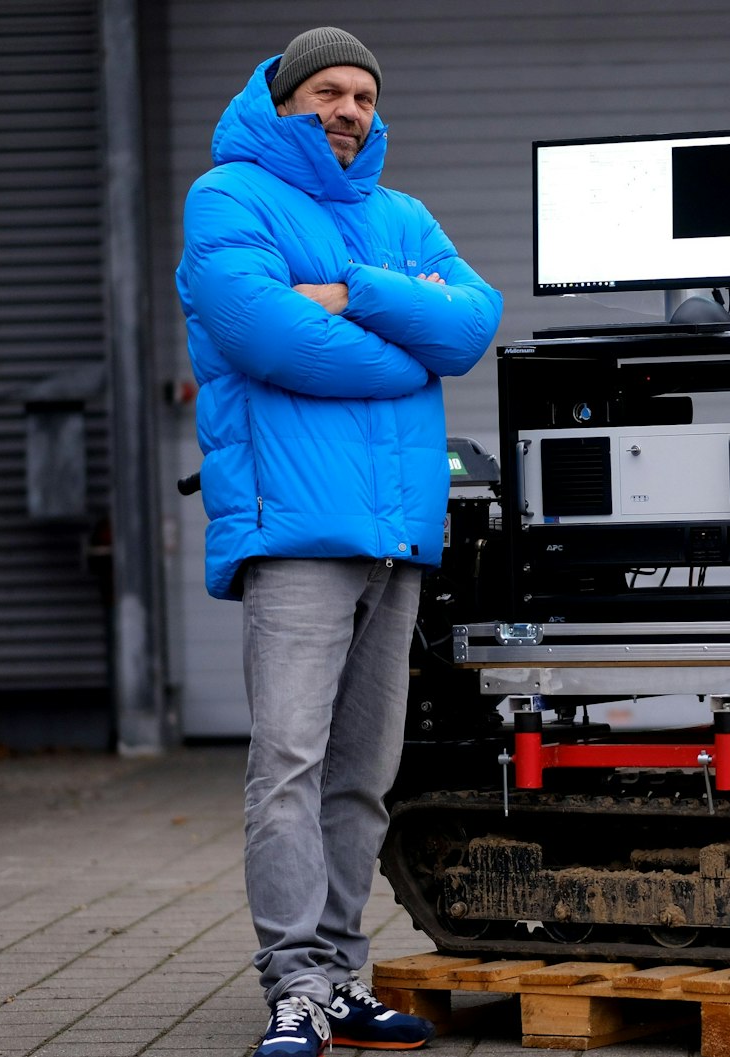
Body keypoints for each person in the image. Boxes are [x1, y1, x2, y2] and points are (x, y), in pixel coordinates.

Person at [175, 26, 504, 1057]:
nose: (348, 108)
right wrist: (406, 357)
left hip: (395, 536)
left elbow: (470, 322)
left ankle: (343, 977)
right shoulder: (226, 197)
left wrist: (358, 293)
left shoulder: (398, 217)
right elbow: (269, 338)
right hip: (297, 536)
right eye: (325, 89)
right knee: (287, 762)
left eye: (362, 92)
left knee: (362, 771)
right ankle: (294, 987)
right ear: (282, 102)